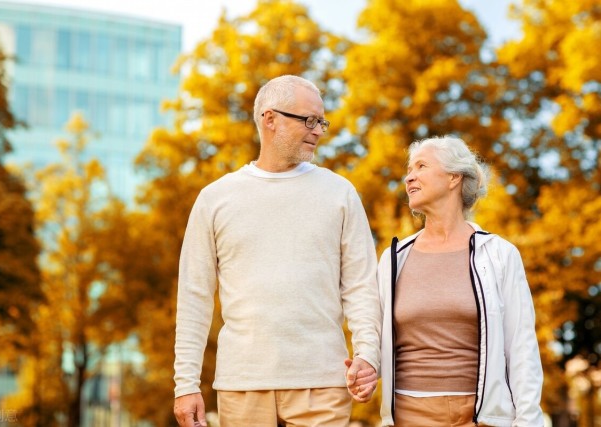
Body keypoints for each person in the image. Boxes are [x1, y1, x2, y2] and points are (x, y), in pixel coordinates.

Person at [173, 75, 381, 427]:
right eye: (308, 120)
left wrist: (368, 354)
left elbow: (361, 285)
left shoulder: (340, 193)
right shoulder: (215, 198)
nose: (318, 130)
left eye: (322, 122)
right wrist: (185, 384)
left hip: (322, 383)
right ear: (269, 119)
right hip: (242, 384)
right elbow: (194, 297)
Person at [377, 136, 544, 426]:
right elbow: (376, 339)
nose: (409, 177)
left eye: (421, 166)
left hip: (482, 416)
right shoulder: (394, 259)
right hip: (409, 414)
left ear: (454, 177)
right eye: (409, 169)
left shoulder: (499, 255)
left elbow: (521, 348)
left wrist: (528, 420)